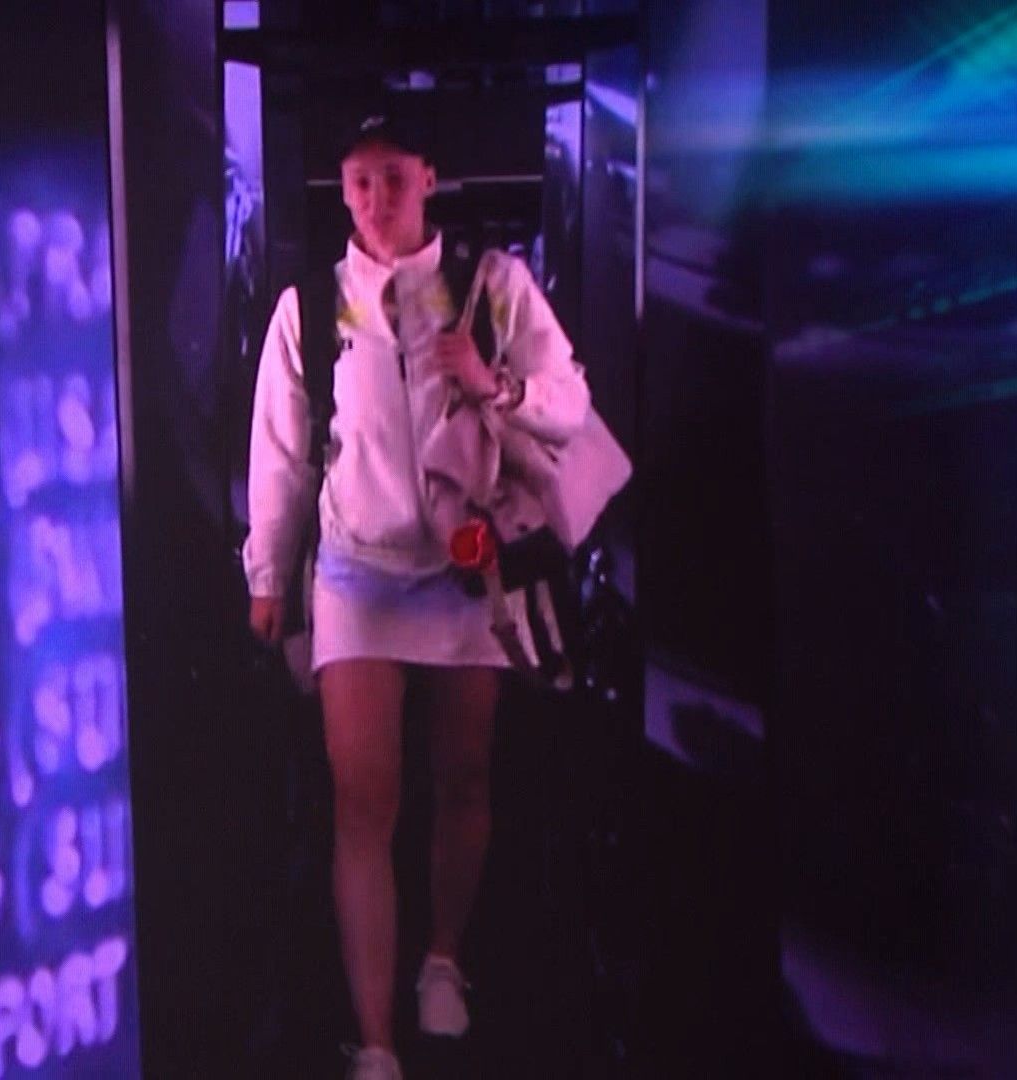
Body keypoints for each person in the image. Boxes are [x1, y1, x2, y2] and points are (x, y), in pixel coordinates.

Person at [243, 110, 593, 1080]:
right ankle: (376, 1041)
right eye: (359, 182)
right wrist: (268, 574)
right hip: (356, 569)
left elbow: (569, 401)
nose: (375, 200)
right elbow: (280, 450)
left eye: (393, 178)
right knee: (365, 801)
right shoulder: (314, 305)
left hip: (463, 568)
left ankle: (443, 958)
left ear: (430, 177)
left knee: (464, 774)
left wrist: (496, 384)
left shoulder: (490, 285)